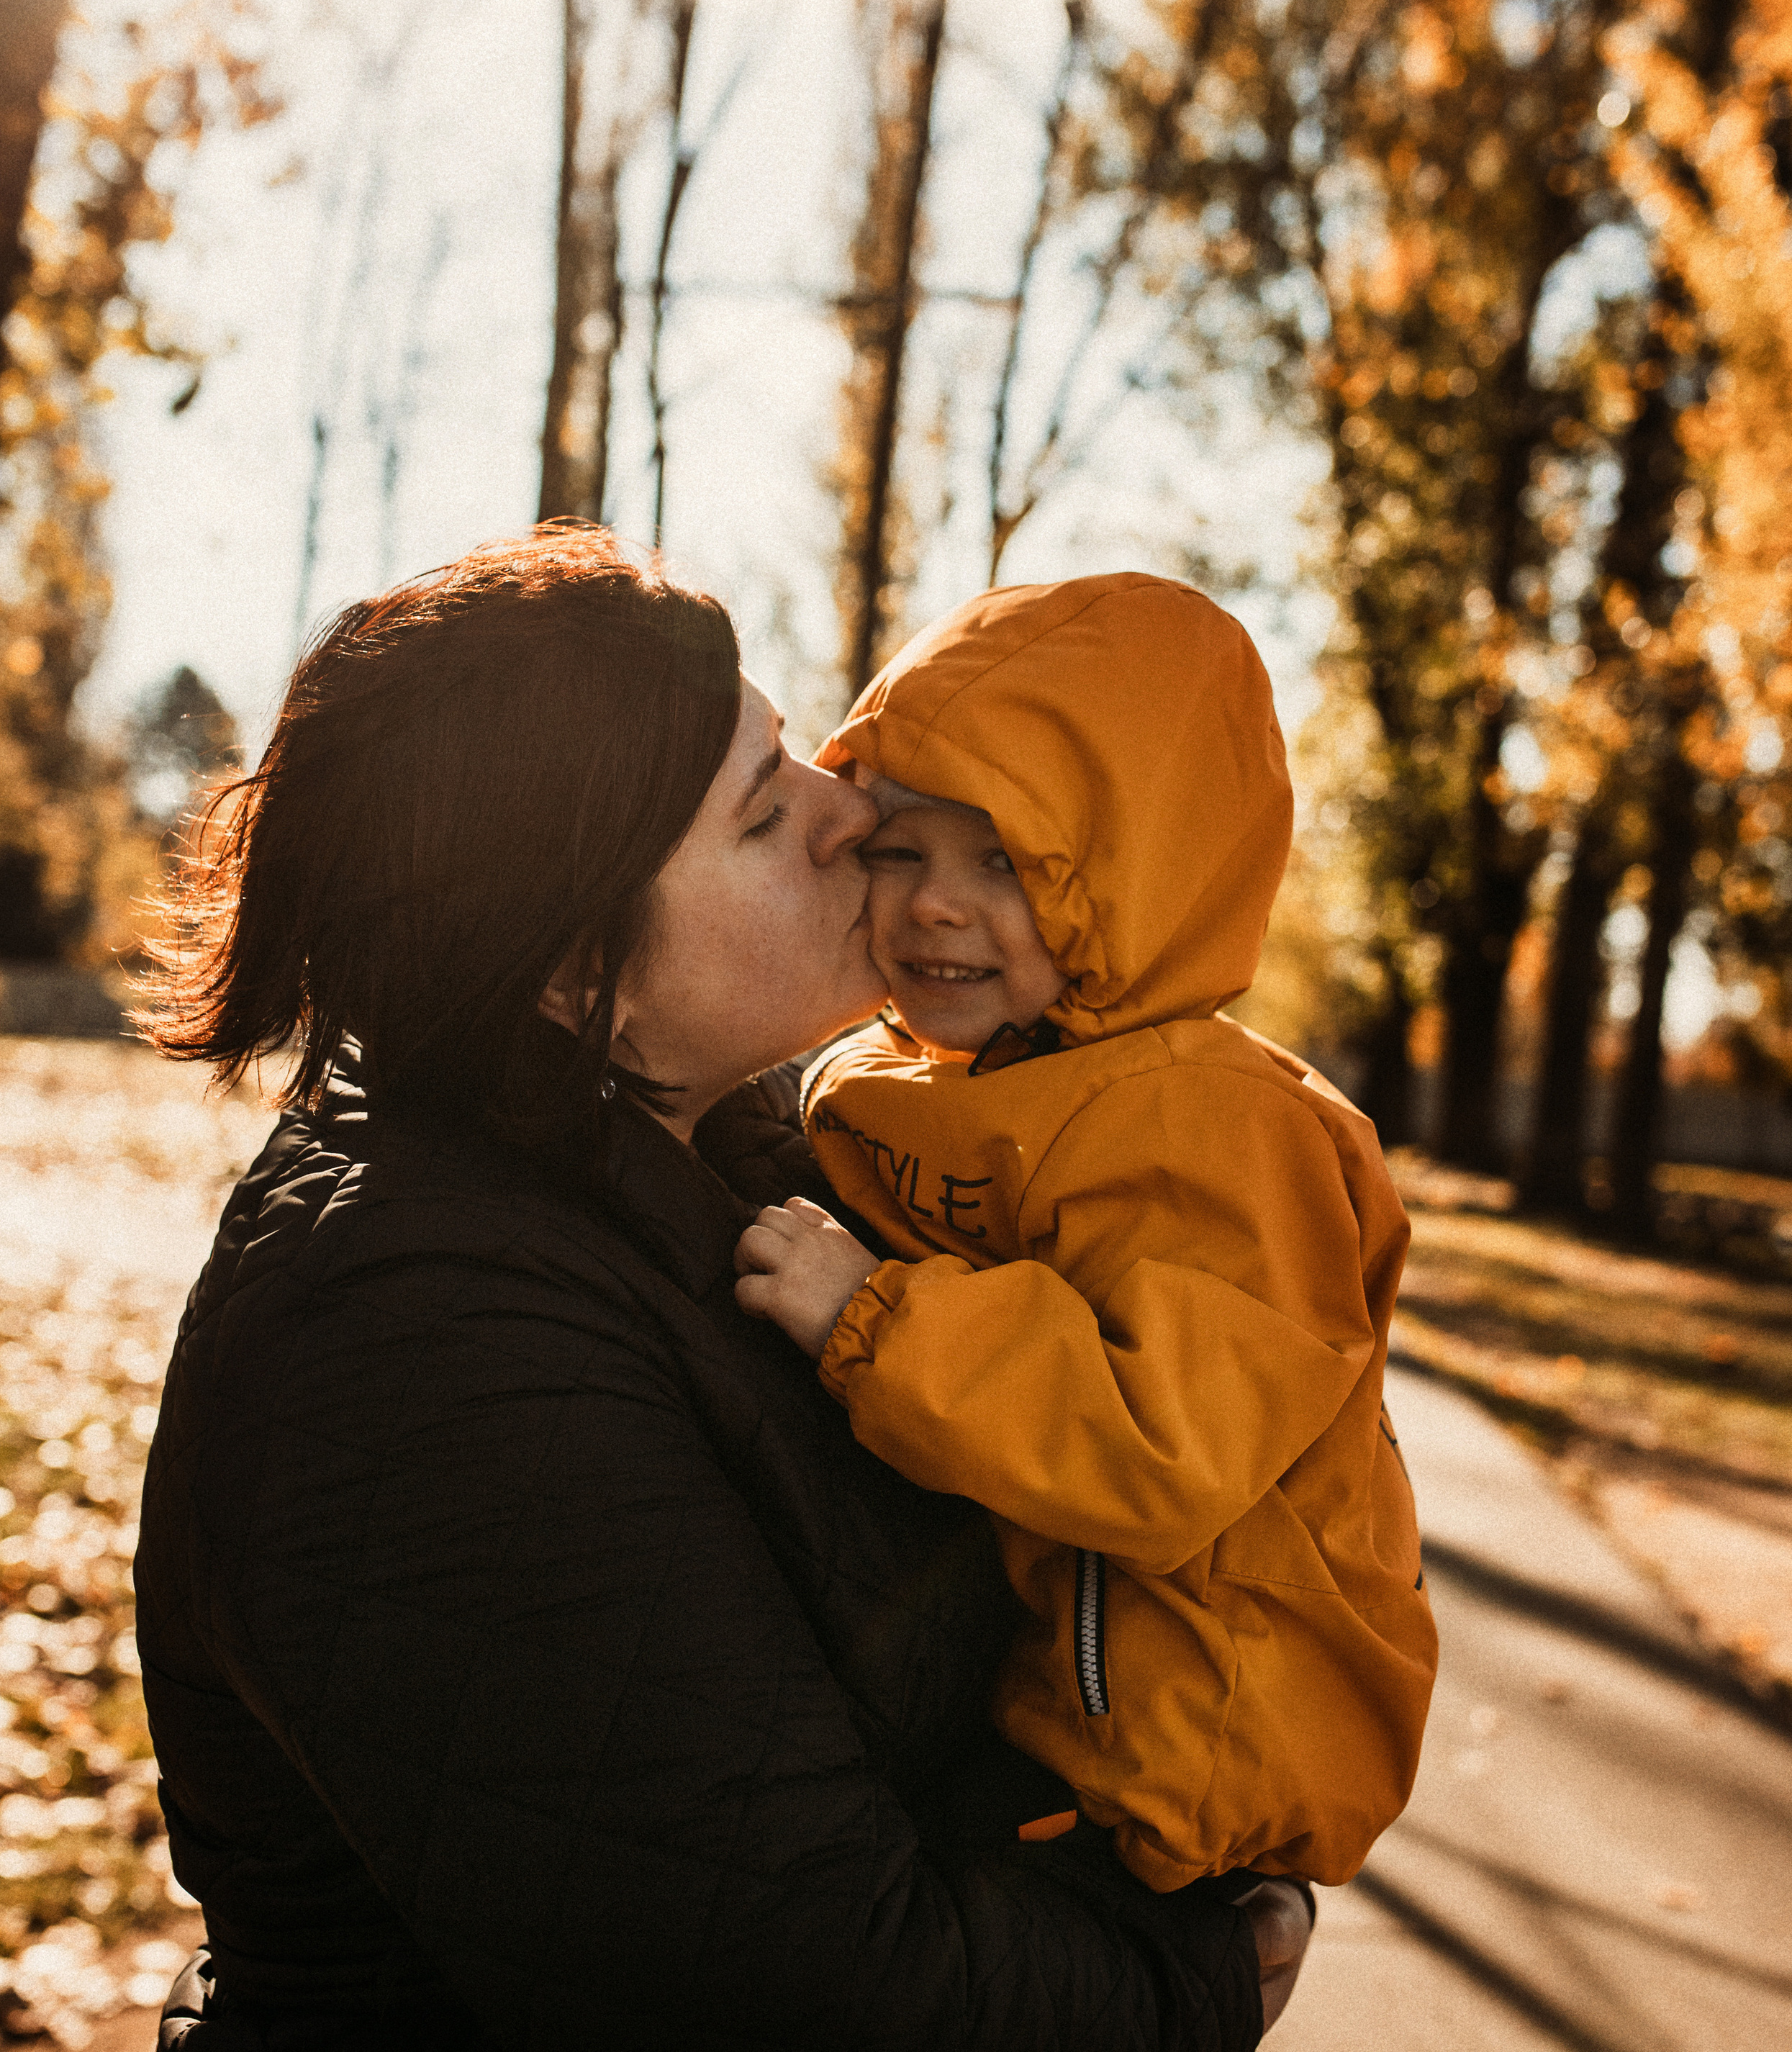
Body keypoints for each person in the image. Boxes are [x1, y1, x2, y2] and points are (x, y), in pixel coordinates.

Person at [130, 528, 1309, 2051]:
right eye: (765, 815)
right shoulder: (416, 1347)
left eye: (791, 753)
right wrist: (1199, 1971)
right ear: (570, 974)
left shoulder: (757, 1159)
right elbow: (806, 1994)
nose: (855, 810)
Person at [733, 572, 1438, 1896]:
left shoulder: (1215, 1130)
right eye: (905, 848)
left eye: (1007, 861)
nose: (937, 904)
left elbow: (1167, 1435)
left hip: (1180, 1746)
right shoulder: (946, 1080)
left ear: (1144, 879)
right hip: (1047, 1702)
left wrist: (872, 1319)